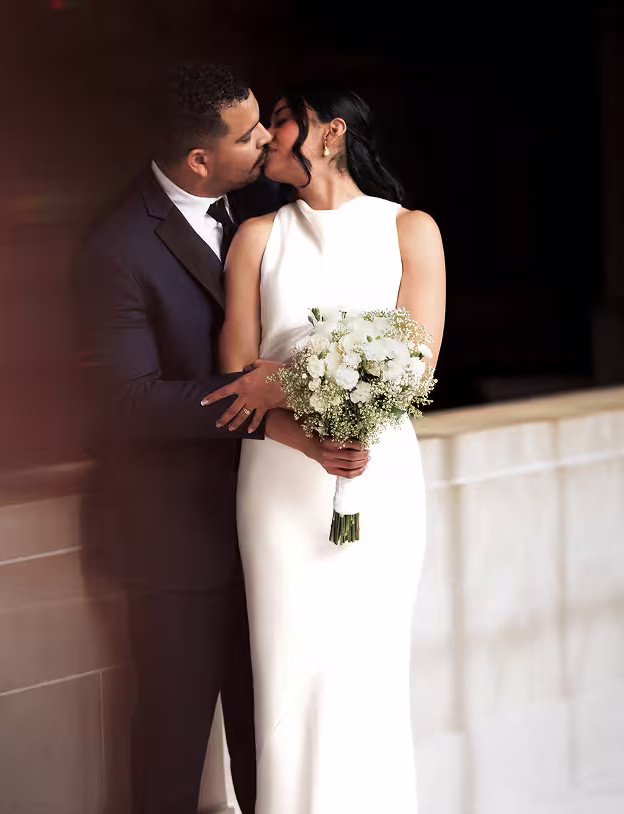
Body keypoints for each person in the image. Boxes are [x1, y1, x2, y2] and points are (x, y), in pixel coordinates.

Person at [73, 64, 368, 814]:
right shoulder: (115, 248)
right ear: (201, 159)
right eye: (249, 134)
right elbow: (126, 403)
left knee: (272, 738)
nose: (268, 138)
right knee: (172, 742)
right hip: (175, 536)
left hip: (275, 522)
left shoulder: (265, 205)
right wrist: (257, 399)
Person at [206, 84, 446, 812]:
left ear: (331, 132)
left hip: (379, 473)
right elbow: (235, 378)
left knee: (368, 663)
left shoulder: (410, 230)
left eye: (281, 121)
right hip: (279, 479)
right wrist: (296, 404)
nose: (266, 137)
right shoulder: (256, 237)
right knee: (288, 664)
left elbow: (416, 369)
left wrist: (284, 378)